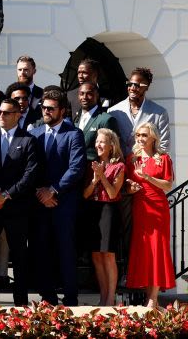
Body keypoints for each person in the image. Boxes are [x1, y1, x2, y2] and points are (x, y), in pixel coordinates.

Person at [29, 89, 86, 306]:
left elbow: (76, 168)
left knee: (65, 251)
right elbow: (29, 169)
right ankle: (47, 297)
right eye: (43, 107)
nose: (46, 111)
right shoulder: (34, 134)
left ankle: (71, 298)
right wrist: (39, 192)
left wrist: (52, 190)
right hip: (39, 204)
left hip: (64, 204)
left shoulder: (74, 134)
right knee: (41, 250)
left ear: (62, 110)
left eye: (51, 108)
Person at [0, 98, 38, 306]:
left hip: (16, 207)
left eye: (6, 113)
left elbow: (30, 175)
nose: (1, 116)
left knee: (19, 256)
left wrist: (6, 195)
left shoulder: (28, 140)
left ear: (17, 115)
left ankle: (21, 302)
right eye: (0, 113)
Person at [125, 122, 175, 308]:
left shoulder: (163, 158)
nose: (140, 139)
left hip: (158, 208)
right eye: (138, 135)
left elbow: (168, 185)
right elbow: (128, 188)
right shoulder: (132, 158)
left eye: (144, 135)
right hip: (140, 207)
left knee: (157, 250)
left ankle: (153, 299)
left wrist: (147, 178)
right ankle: (149, 297)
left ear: (153, 137)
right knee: (144, 250)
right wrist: (132, 188)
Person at [81, 128, 125, 306]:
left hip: (109, 209)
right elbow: (85, 194)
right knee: (96, 256)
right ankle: (103, 296)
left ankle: (110, 298)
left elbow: (113, 193)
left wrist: (102, 177)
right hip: (93, 210)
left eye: (102, 142)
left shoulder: (119, 166)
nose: (97, 145)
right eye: (97, 141)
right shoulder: (92, 164)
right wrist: (94, 179)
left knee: (108, 255)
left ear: (111, 145)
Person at [108, 67, 170, 157]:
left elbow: (164, 145)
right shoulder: (113, 111)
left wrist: (152, 165)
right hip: (121, 166)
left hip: (147, 166)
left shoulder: (159, 113)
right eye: (130, 84)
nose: (132, 88)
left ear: (147, 87)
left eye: (137, 85)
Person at [76, 82, 119, 161]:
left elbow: (113, 151)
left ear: (97, 95)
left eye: (89, 94)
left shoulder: (106, 120)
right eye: (81, 94)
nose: (84, 97)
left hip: (96, 169)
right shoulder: (75, 119)